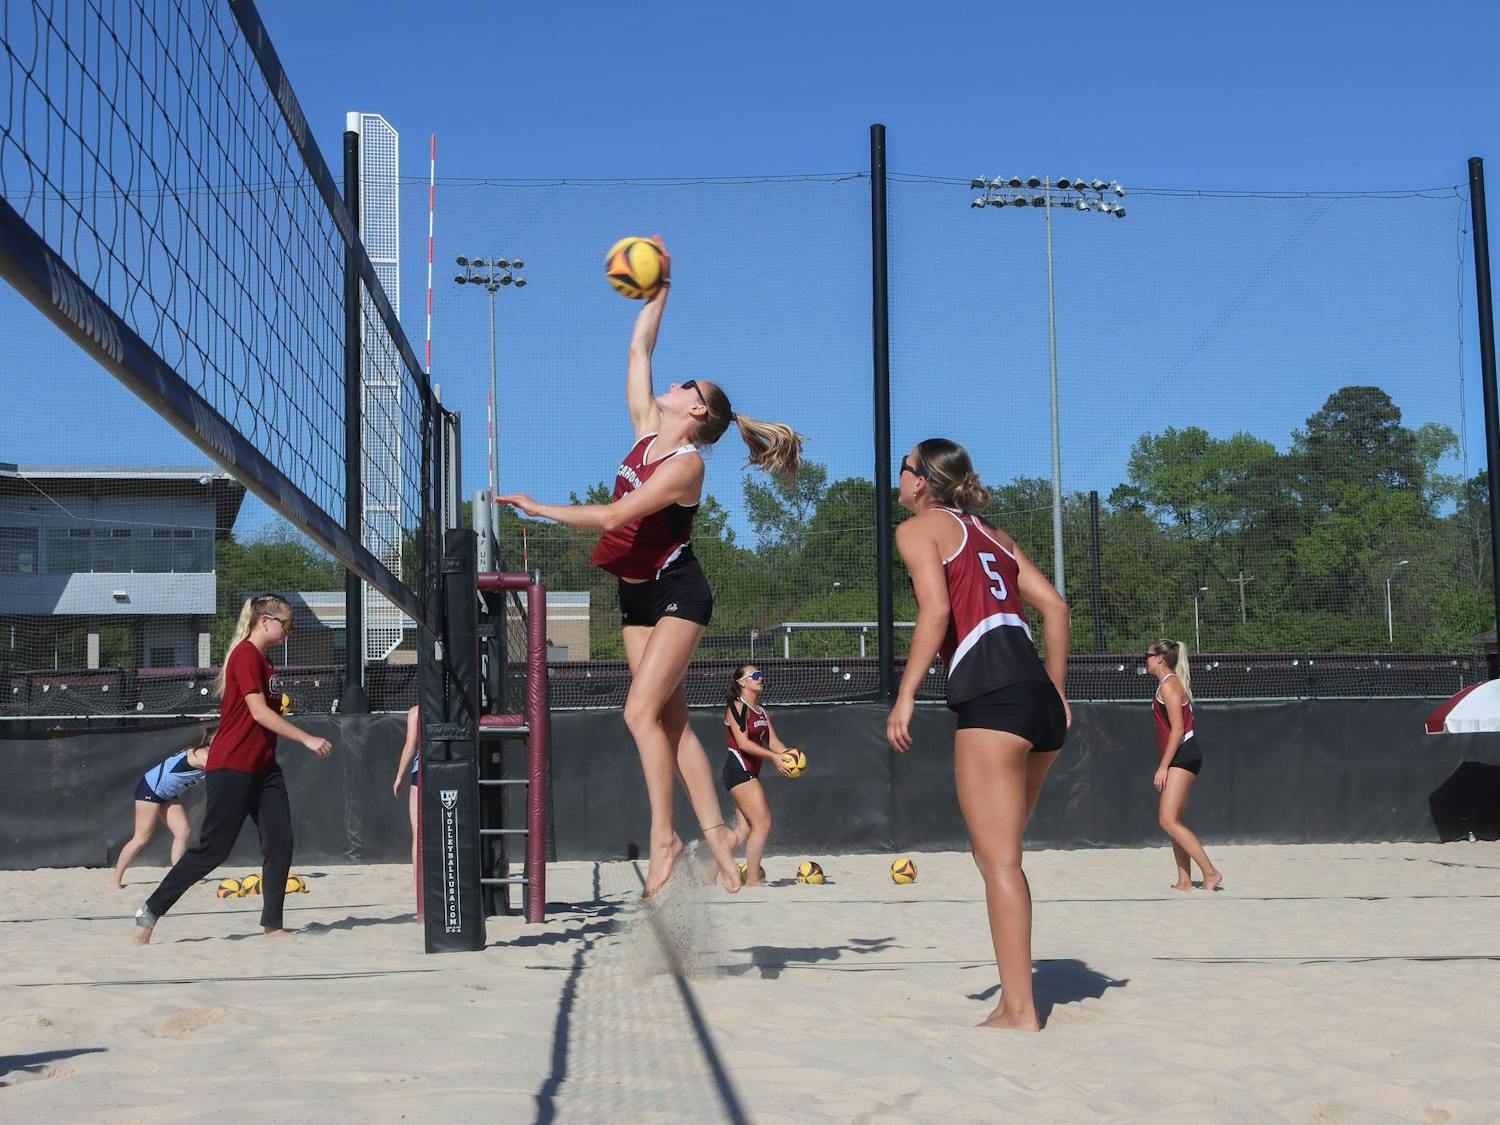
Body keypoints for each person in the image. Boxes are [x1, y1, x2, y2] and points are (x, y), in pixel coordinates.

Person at [497, 239, 803, 897]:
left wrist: (538, 506)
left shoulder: (686, 465)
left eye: (686, 386)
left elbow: (613, 519)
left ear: (697, 411)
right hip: (636, 596)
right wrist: (661, 287)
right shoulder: (644, 427)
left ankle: (666, 834)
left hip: (677, 595)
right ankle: (718, 833)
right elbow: (639, 351)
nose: (673, 383)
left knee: (639, 714)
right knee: (665, 719)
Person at [885, 438, 1070, 1033]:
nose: (900, 474)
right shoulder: (995, 535)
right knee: (999, 858)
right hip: (1038, 701)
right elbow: (1058, 609)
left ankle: (1019, 1010)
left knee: (999, 865)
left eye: (905, 466)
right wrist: (1061, 692)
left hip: (994, 701)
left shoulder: (919, 531)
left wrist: (907, 692)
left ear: (920, 482)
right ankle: (1014, 1000)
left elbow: (935, 613)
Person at [132, 595, 332, 943]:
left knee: (280, 840)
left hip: (264, 767)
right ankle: (150, 911)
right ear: (265, 621)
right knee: (214, 849)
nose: (289, 632)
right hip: (233, 766)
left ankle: (273, 925)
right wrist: (306, 738)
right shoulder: (245, 655)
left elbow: (262, 715)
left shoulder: (266, 663)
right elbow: (257, 713)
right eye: (287, 625)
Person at [1145, 638, 1223, 892]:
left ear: (1160, 659)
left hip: (1183, 754)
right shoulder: (1170, 684)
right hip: (1184, 754)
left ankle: (1211, 872)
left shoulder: (1169, 686)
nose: (1144, 660)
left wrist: (1162, 766)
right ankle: (1184, 880)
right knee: (1174, 820)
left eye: (1147, 655)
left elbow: (1178, 730)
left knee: (1167, 820)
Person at [111, 725, 216, 888]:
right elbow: (223, 769)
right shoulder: (203, 756)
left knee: (183, 830)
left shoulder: (208, 754)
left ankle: (178, 873)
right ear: (211, 741)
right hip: (151, 789)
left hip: (166, 793)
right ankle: (115, 880)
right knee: (141, 837)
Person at [720, 664, 793, 886]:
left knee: (743, 831)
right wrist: (773, 758)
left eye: (760, 675)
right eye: (756, 676)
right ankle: (752, 879)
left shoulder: (761, 712)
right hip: (738, 771)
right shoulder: (736, 707)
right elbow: (742, 743)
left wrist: (790, 755)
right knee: (763, 822)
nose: (761, 678)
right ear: (742, 682)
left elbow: (773, 742)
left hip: (749, 772)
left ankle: (708, 873)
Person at [392, 705, 421, 894]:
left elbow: (410, 747)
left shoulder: (416, 712)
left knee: (418, 831)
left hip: (422, 772)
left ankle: (417, 881)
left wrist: (399, 776)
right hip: (450, 767)